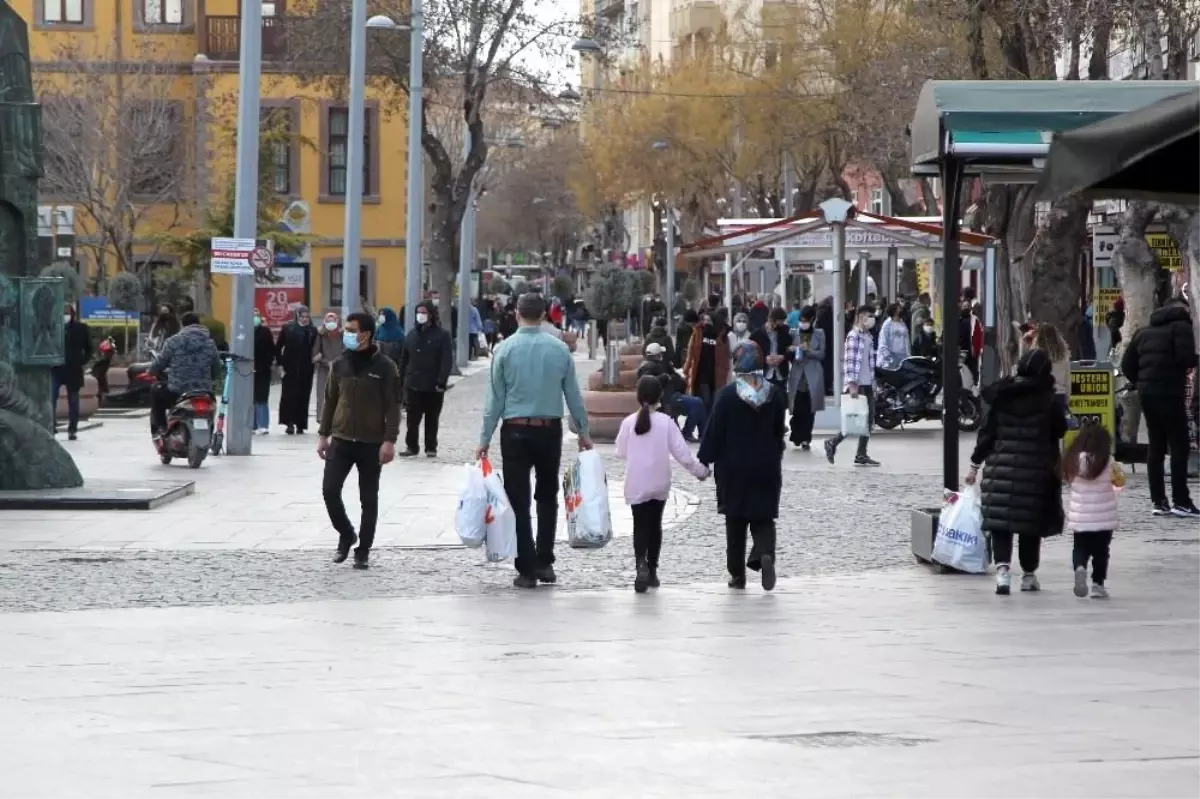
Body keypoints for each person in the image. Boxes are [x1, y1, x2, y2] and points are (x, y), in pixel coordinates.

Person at [476, 293, 593, 589]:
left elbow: (495, 400)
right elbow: (573, 396)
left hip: (514, 430)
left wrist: (484, 438)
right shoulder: (559, 350)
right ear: (544, 316)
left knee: (518, 499)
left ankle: (526, 568)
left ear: (517, 314)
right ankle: (545, 561)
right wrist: (583, 432)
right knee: (546, 495)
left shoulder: (504, 350)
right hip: (548, 430)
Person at [966, 349, 1065, 594]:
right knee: (1030, 524)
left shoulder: (1003, 395)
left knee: (1002, 522)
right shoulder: (1048, 401)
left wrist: (974, 466)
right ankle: (1029, 575)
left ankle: (1002, 574)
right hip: (1036, 472)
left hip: (1001, 470)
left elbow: (986, 434)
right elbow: (1060, 431)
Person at [697, 341, 786, 591]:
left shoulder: (726, 396)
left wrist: (704, 460)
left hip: (733, 469)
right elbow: (780, 429)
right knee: (763, 518)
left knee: (735, 523)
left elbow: (714, 432)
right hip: (766, 466)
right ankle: (764, 553)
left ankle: (737, 575)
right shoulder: (775, 394)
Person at [317, 312, 401, 570]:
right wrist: (323, 435)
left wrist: (389, 440)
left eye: (352, 330)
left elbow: (393, 406)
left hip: (371, 442)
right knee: (329, 491)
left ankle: (363, 549)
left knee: (369, 498)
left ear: (366, 334)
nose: (347, 333)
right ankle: (346, 533)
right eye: (346, 329)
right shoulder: (339, 363)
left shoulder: (385, 367)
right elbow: (330, 400)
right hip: (341, 439)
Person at [616, 375, 709, 593]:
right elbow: (683, 455)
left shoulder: (629, 422)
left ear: (638, 396)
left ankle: (640, 565)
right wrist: (700, 472)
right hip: (659, 482)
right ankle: (653, 570)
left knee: (639, 526)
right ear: (660, 397)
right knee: (655, 526)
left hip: (636, 483)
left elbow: (620, 452)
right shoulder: (666, 423)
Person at [1120, 298, 1200, 516]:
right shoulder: (1181, 328)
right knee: (1179, 445)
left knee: (1156, 445)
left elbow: (1126, 365)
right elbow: (1186, 360)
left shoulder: (1143, 332)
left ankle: (1158, 501)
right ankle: (1181, 500)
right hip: (1171, 392)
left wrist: (1142, 382)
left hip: (1148, 395)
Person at [1064, 423, 1122, 599]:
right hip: (1103, 518)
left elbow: (1068, 481)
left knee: (1079, 548)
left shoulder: (1072, 461)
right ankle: (1098, 584)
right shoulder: (1110, 462)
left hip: (1080, 517)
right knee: (1101, 551)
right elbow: (1119, 485)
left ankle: (1080, 567)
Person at [148, 312, 221, 438]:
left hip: (178, 390)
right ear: (199, 324)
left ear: (182, 325)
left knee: (156, 391)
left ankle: (160, 429)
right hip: (203, 391)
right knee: (210, 408)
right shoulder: (210, 343)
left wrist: (151, 371)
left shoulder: (173, 341)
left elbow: (160, 362)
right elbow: (217, 369)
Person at [824, 305, 880, 467]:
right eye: (869, 316)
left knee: (868, 421)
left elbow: (870, 362)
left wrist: (873, 381)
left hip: (868, 383)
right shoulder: (853, 336)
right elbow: (849, 361)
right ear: (861, 316)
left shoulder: (868, 336)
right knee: (855, 419)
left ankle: (861, 453)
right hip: (858, 384)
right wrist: (851, 384)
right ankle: (833, 442)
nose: (871, 319)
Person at [398, 299, 453, 458]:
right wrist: (401, 379)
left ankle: (431, 447)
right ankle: (411, 446)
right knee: (412, 418)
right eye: (419, 312)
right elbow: (404, 359)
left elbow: (446, 360)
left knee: (431, 418)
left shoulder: (442, 335)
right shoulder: (411, 334)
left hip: (433, 385)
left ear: (430, 314)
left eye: (424, 312)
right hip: (413, 384)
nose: (420, 315)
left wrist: (441, 381)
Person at [638, 342, 706, 442]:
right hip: (667, 399)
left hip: (671, 396)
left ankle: (702, 434)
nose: (662, 356)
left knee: (698, 402)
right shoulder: (648, 367)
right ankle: (688, 433)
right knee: (697, 403)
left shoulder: (658, 365)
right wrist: (666, 377)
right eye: (660, 353)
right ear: (656, 355)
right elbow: (649, 383)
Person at [787, 305, 825, 449]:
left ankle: (806, 438)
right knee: (797, 408)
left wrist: (808, 350)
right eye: (801, 320)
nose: (803, 323)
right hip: (798, 374)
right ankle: (796, 433)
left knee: (810, 409)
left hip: (813, 374)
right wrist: (791, 349)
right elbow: (788, 350)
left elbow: (822, 354)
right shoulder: (793, 333)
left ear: (812, 320)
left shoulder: (819, 334)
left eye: (805, 320)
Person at [276, 306, 318, 434]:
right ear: (297, 316)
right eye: (302, 316)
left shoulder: (312, 330)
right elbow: (278, 347)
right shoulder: (288, 328)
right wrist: (280, 365)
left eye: (307, 317)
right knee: (289, 396)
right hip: (290, 367)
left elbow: (316, 347)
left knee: (303, 395)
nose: (304, 319)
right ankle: (289, 423)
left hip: (306, 368)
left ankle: (301, 424)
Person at [52, 303, 91, 441]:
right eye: (63, 313)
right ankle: (51, 425)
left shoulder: (81, 328)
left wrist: (81, 361)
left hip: (73, 369)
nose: (65, 316)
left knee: (73, 400)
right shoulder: (55, 327)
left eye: (67, 313)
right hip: (56, 368)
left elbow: (89, 349)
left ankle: (72, 429)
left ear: (73, 314)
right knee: (51, 397)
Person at [683, 311, 730, 411]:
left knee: (714, 404)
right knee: (704, 402)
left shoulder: (722, 337)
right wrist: (686, 370)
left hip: (716, 376)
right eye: (705, 320)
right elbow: (691, 353)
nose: (706, 322)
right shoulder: (698, 333)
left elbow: (726, 357)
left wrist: (726, 373)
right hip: (701, 375)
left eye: (709, 320)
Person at [311, 311, 344, 425]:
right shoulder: (321, 335)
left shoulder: (342, 335)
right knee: (321, 394)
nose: (331, 323)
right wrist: (326, 362)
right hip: (323, 369)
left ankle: (337, 417)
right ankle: (321, 418)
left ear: (337, 321)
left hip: (339, 369)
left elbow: (344, 352)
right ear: (325, 322)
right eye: (328, 321)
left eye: (333, 321)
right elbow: (316, 353)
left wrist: (335, 363)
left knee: (339, 394)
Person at [750, 307, 792, 391]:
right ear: (771, 320)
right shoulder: (756, 334)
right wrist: (764, 359)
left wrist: (783, 357)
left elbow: (791, 350)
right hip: (764, 374)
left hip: (781, 374)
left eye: (783, 322)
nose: (781, 324)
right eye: (780, 322)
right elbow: (750, 354)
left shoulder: (786, 331)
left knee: (781, 401)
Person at [1034, 322, 1070, 417]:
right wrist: (1067, 401)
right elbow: (1068, 382)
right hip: (1060, 396)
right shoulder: (1063, 357)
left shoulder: (1036, 356)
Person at [252, 310, 276, 434]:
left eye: (256, 315)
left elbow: (271, 350)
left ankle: (263, 425)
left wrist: (268, 364)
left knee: (262, 397)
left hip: (263, 369)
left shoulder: (265, 332)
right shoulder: (244, 332)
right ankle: (253, 425)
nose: (254, 318)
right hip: (247, 370)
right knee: (250, 399)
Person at [875, 303, 910, 369]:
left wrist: (908, 355)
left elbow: (907, 340)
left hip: (903, 357)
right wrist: (887, 356)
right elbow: (883, 341)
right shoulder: (887, 324)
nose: (901, 310)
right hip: (890, 359)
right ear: (894, 311)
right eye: (899, 308)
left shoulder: (903, 324)